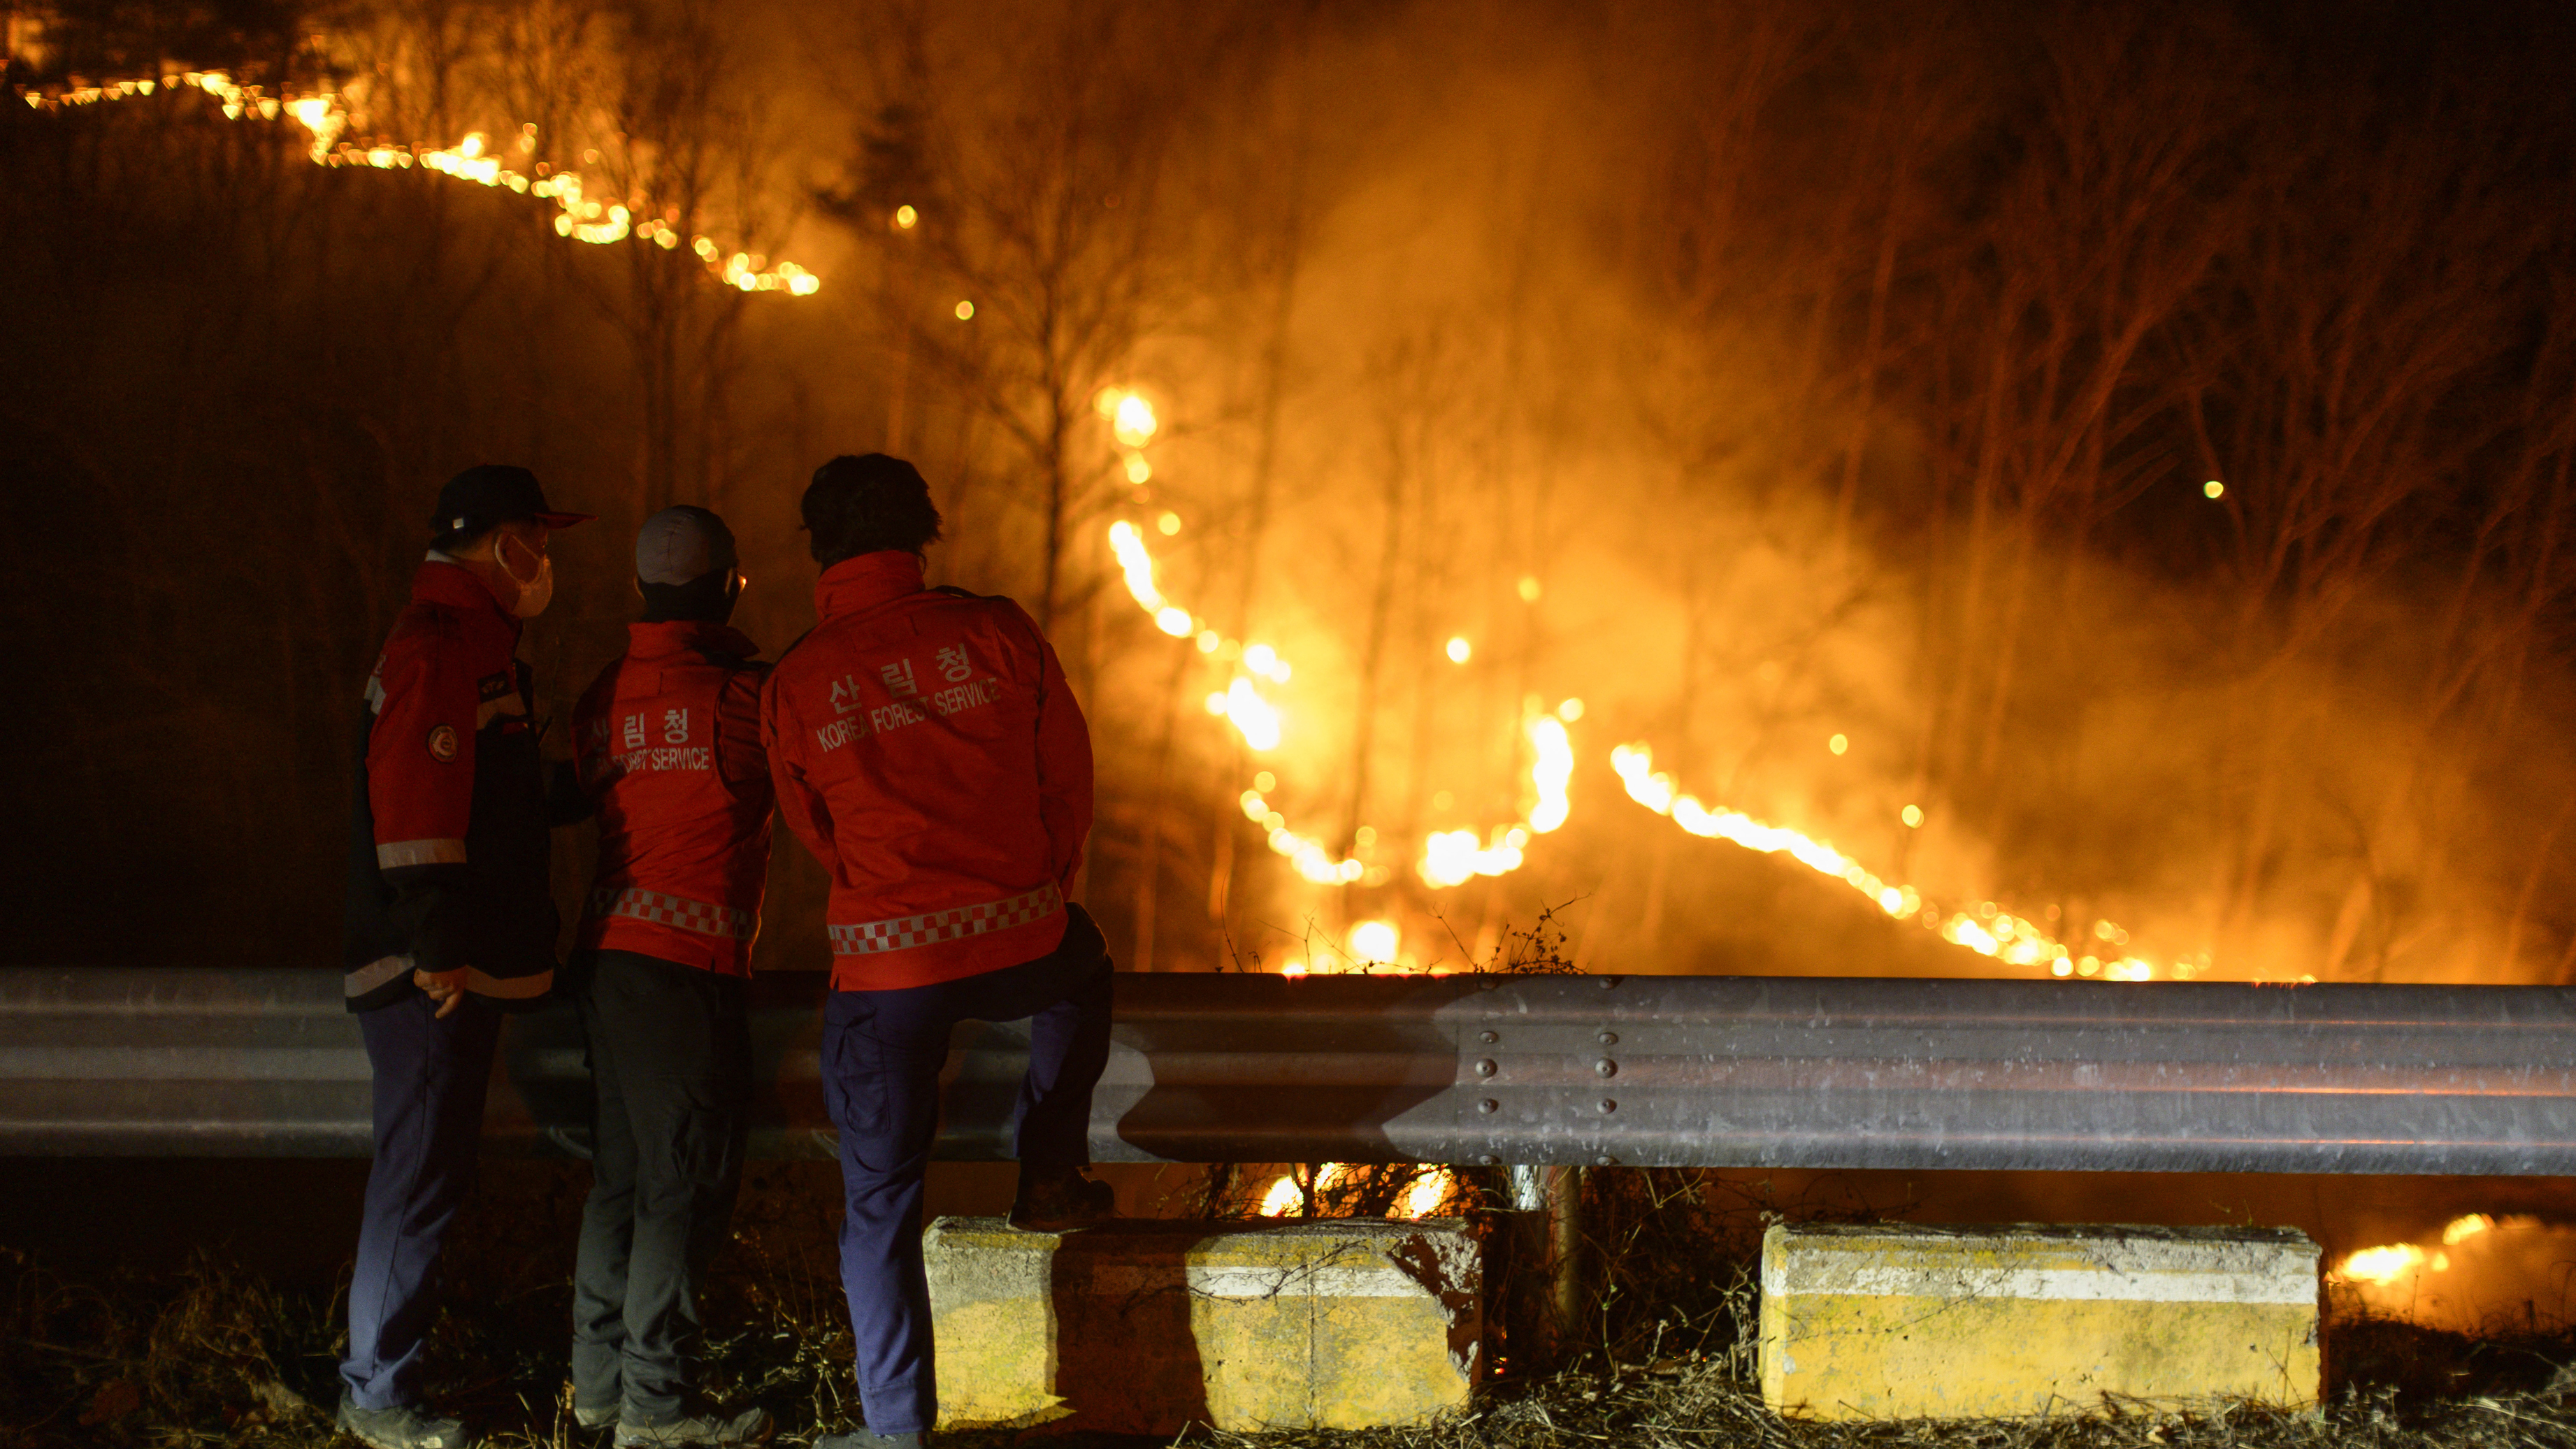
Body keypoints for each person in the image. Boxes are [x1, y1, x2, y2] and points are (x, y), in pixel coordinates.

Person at [761, 454, 1116, 1449]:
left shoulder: (795, 679)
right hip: (1023, 934)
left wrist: (892, 899)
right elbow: (1067, 777)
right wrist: (1036, 889)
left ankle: (894, 1430)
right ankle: (1048, 1171)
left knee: (878, 1200)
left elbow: (812, 827)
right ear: (922, 534)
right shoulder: (995, 629)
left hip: (886, 970)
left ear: (818, 550)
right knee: (1083, 968)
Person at [340, 465, 591, 1449]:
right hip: (427, 973)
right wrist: (438, 945)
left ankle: (380, 1384)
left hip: (443, 965)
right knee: (415, 1179)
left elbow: (489, 795)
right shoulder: (441, 645)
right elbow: (416, 802)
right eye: (538, 537)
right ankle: (376, 1399)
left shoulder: (471, 643)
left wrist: (580, 785)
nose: (546, 561)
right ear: (501, 544)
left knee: (427, 1177)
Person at [563, 507, 776, 1448]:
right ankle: (656, 1407)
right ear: (729, 583)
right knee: (680, 1183)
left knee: (620, 1177)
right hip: (686, 973)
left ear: (641, 591)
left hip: (608, 966)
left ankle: (598, 1389)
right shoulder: (739, 702)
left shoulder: (602, 695)